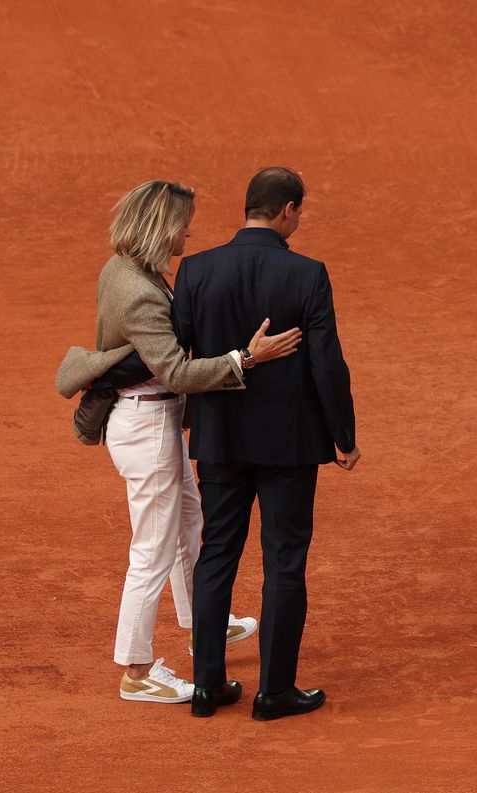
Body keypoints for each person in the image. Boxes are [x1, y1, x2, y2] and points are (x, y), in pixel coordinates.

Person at [55, 180, 302, 704]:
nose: (189, 230)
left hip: (152, 421)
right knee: (152, 549)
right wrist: (246, 358)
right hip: (146, 427)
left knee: (190, 522)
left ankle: (202, 627)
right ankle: (137, 670)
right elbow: (176, 371)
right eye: (183, 222)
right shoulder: (141, 291)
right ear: (161, 227)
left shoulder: (126, 269)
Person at [176, 167, 359, 720]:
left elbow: (178, 354)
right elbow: (327, 363)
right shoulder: (308, 274)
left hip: (220, 441)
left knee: (216, 557)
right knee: (284, 564)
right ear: (287, 210)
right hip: (291, 446)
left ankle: (207, 685)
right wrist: (343, 436)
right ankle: (274, 692)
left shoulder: (195, 269)